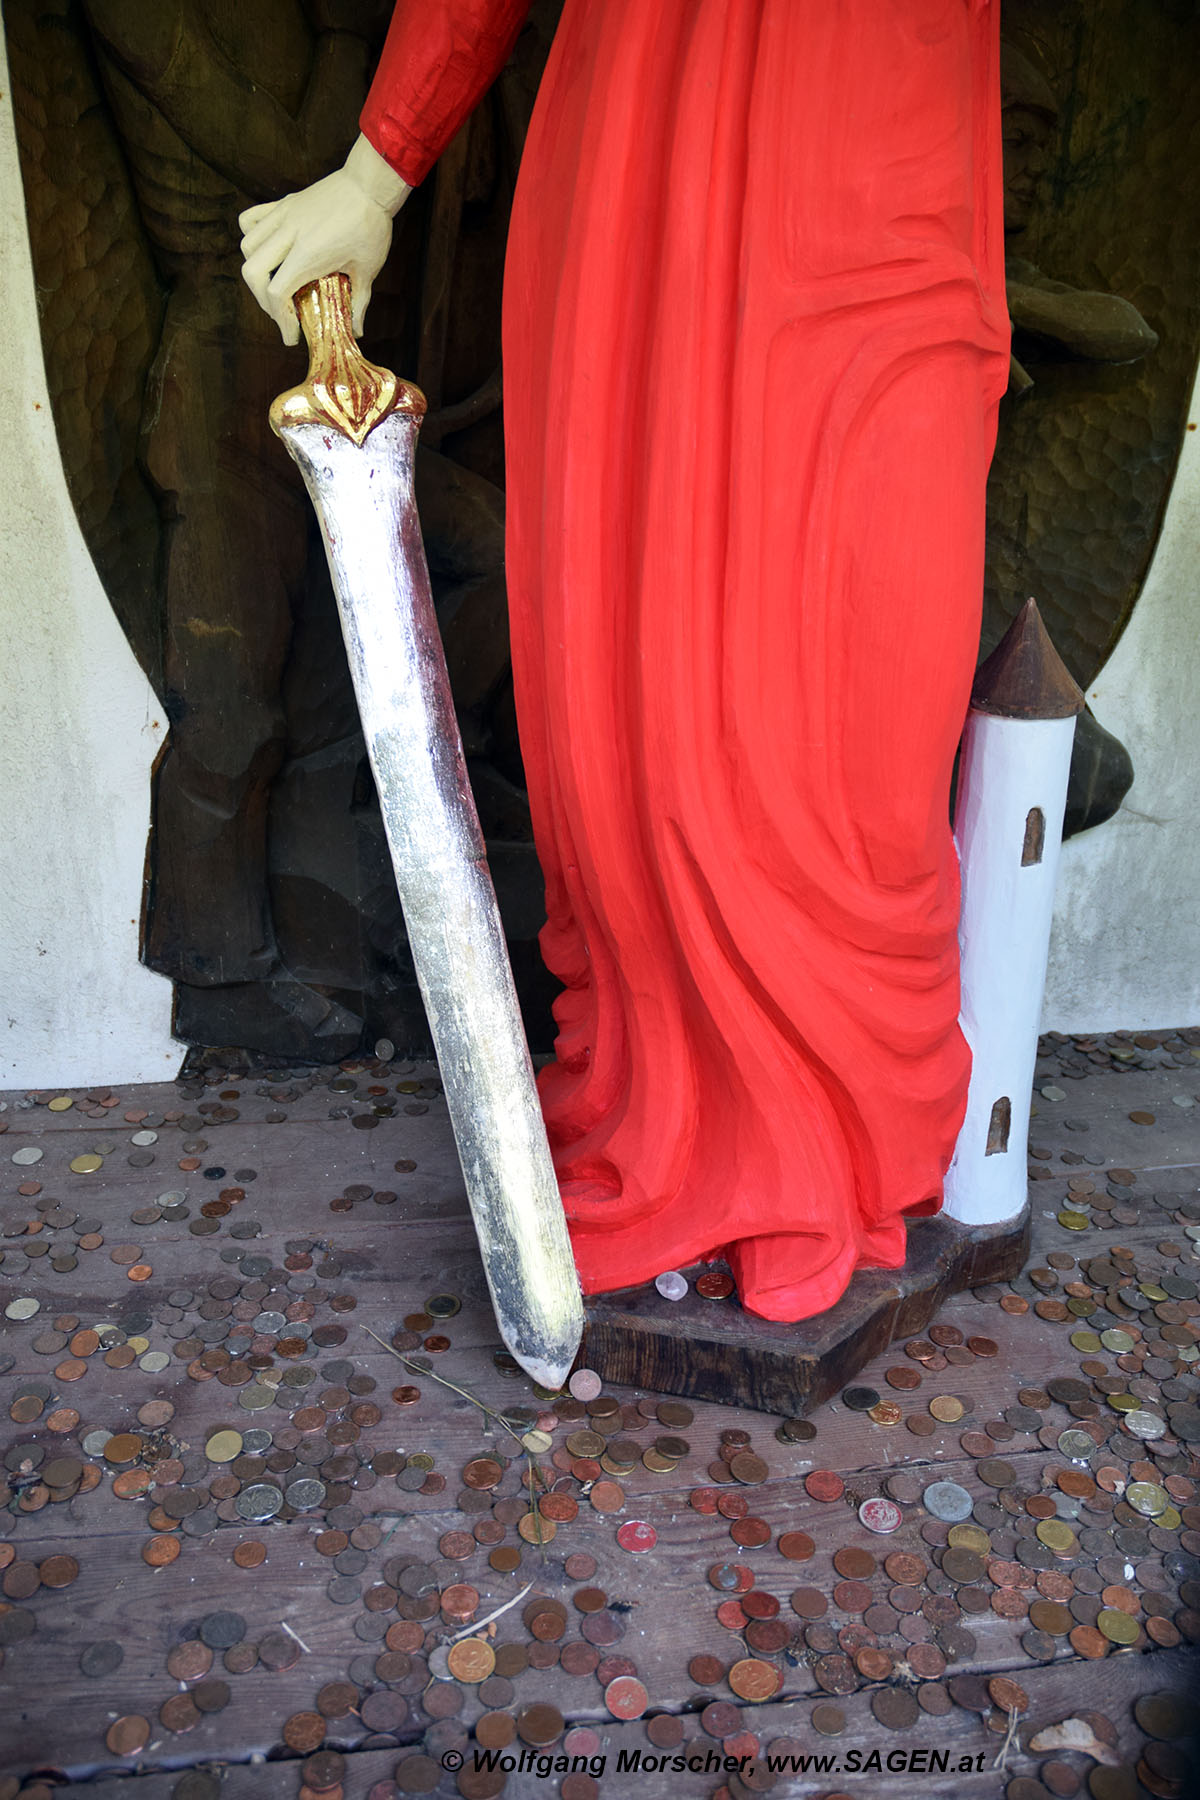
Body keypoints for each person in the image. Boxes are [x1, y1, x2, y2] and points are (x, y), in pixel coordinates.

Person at [242, 0, 1011, 1323]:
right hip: (646, 178)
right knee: (641, 678)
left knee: (870, 681)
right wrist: (380, 166)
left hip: (891, 171)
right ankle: (687, 1128)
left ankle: (847, 1130)